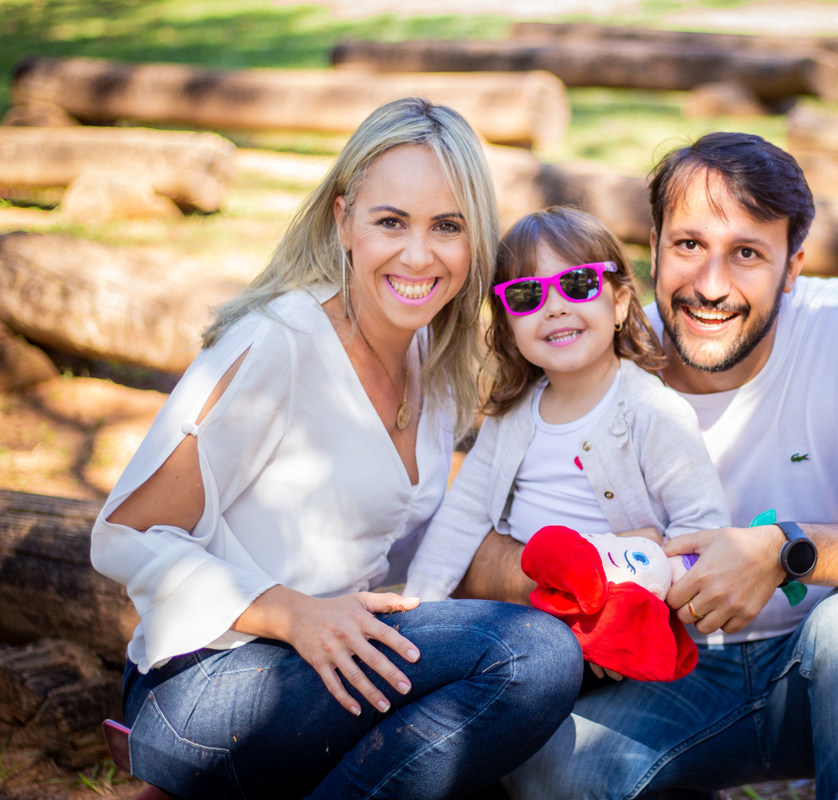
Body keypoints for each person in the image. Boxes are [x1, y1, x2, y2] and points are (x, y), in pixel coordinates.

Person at [89, 98, 582, 800]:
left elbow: (417, 552)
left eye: (448, 226)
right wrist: (293, 612)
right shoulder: (279, 343)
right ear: (343, 220)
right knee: (531, 657)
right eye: (391, 222)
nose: (418, 255)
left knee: (512, 712)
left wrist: (583, 571)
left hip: (325, 672)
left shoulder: (434, 362)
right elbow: (123, 537)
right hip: (204, 687)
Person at [457, 132, 838, 800]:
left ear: (792, 267)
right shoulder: (594, 352)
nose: (711, 285)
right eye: (689, 245)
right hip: (661, 675)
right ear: (655, 249)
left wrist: (781, 550)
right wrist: (585, 573)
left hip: (821, 671)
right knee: (554, 771)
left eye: (747, 253)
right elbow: (470, 537)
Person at [404, 207, 728, 632]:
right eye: (526, 295)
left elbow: (703, 528)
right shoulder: (513, 417)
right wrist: (416, 608)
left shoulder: (653, 412)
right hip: (518, 619)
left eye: (578, 284)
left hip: (614, 629)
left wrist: (639, 578)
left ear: (620, 303)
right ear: (507, 326)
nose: (555, 307)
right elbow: (462, 515)